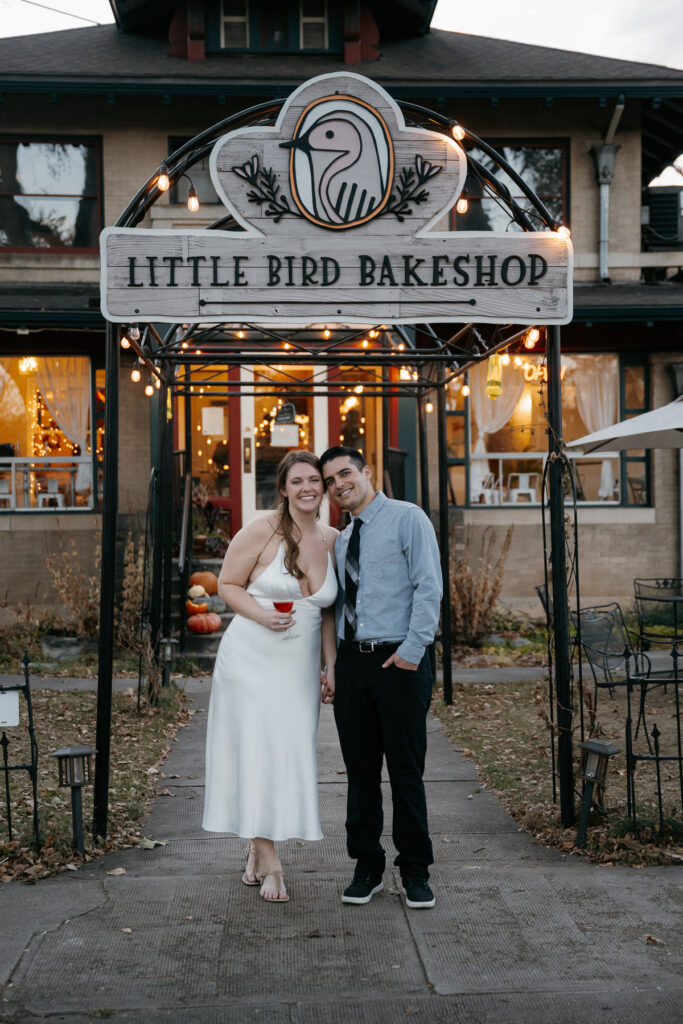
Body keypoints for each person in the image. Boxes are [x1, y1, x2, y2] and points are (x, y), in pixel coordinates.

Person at [202, 450, 338, 902]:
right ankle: (273, 863)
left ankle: (256, 850)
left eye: (314, 480)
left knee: (288, 755)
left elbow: (328, 613)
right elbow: (226, 586)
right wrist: (261, 616)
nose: (307, 488)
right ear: (282, 488)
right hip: (251, 660)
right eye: (297, 481)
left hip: (297, 668)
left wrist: (330, 664)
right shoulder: (261, 530)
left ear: (323, 487)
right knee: (255, 754)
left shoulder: (333, 538)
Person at [320, 445, 442, 909]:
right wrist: (335, 667)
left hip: (400, 662)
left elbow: (429, 585)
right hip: (355, 665)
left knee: (406, 772)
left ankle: (415, 870)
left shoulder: (408, 518)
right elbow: (334, 608)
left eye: (345, 473)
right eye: (330, 480)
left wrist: (412, 652)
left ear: (366, 472)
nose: (338, 485)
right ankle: (367, 864)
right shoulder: (343, 539)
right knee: (361, 773)